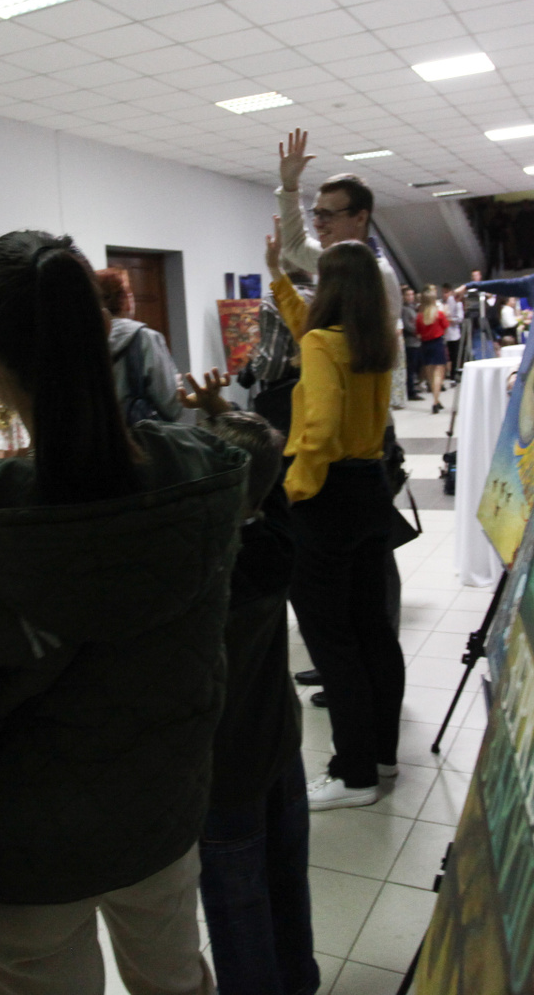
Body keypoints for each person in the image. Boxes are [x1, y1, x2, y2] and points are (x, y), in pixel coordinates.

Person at [0, 230, 249, 995]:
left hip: (17, 843)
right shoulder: (196, 480)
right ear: (104, 332)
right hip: (158, 810)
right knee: (175, 980)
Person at [173, 380, 321, 995]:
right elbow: (269, 478)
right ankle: (299, 980)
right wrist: (220, 411)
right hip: (279, 745)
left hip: (224, 769)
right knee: (287, 880)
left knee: (238, 910)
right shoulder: (277, 541)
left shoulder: (200, 573)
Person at [266, 226, 403, 810]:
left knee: (331, 638)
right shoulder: (375, 342)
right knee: (372, 629)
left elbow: (319, 429)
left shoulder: (325, 344)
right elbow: (309, 331)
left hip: (326, 496)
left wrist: (294, 488)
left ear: (330, 288)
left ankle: (354, 774)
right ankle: (382, 755)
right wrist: (278, 277)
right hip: (370, 489)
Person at [274, 130, 404, 412]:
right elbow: (295, 246)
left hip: (356, 415)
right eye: (316, 213)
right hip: (336, 408)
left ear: (360, 217)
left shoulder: (377, 275)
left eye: (328, 214)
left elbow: (368, 355)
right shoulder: (336, 261)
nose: (318, 223)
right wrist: (290, 186)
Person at [96, 267, 186, 424]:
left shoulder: (80, 342)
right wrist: (176, 385)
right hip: (138, 436)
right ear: (125, 299)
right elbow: (171, 407)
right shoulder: (146, 338)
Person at [238, 269, 311, 434]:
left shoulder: (274, 299)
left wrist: (254, 364)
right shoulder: (326, 297)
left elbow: (272, 365)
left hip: (287, 405)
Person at [416, 286, 451, 413]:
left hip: (425, 345)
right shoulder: (438, 314)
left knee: (430, 376)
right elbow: (446, 327)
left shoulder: (419, 317)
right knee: (438, 375)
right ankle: (435, 402)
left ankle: (436, 399)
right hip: (437, 344)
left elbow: (418, 333)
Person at [400, 285, 423, 401]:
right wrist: (417, 332)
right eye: (408, 295)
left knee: (415, 367)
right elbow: (407, 325)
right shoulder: (404, 309)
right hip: (410, 342)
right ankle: (410, 391)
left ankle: (414, 386)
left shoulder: (413, 308)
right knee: (410, 367)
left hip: (417, 341)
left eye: (412, 294)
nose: (410, 297)